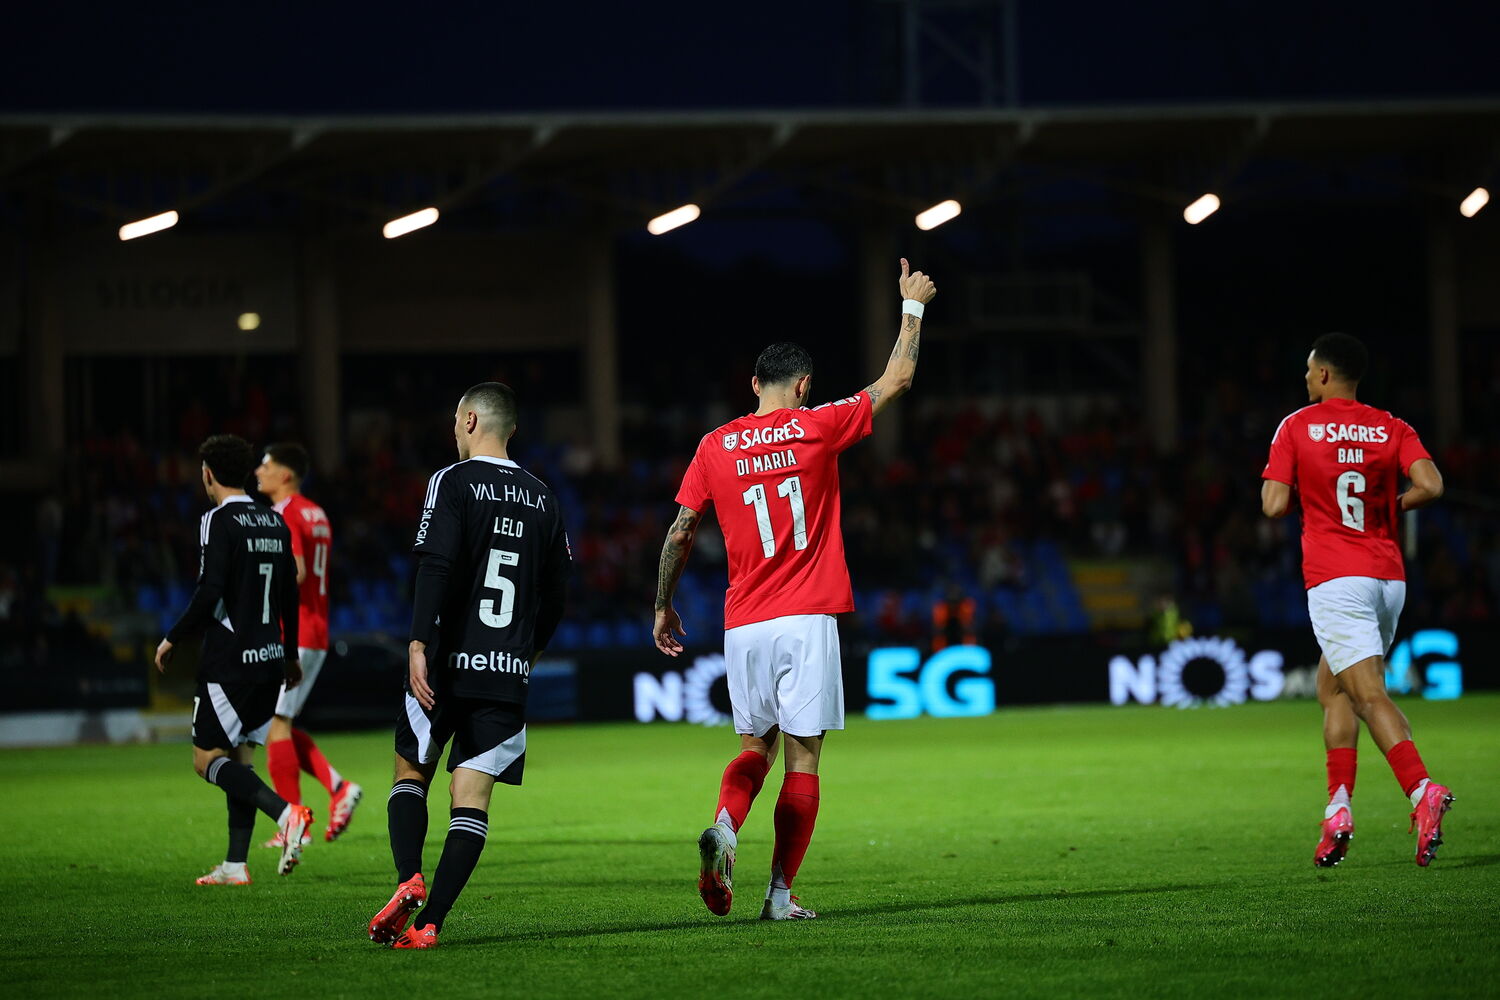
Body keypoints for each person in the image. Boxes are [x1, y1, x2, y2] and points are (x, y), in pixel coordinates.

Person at [654, 258, 937, 920]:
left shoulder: (714, 445)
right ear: (804, 386)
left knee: (754, 748)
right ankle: (779, 896)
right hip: (805, 617)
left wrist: (663, 603)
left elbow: (680, 530)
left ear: (754, 384)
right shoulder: (817, 424)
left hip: (743, 622)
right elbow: (898, 378)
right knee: (803, 759)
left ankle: (725, 827)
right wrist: (913, 307)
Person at [368, 382, 570, 949]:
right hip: (506, 671)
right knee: (472, 799)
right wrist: (529, 653)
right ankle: (430, 924)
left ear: (472, 420)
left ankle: (409, 877)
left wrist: (416, 644)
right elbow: (557, 595)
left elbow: (435, 564)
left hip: (446, 662)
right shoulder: (545, 497)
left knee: (412, 772)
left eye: (457, 419)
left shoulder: (451, 481)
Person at [1260, 332, 1452, 868]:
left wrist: (1310, 496)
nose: (1305, 378)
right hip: (1387, 579)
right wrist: (1390, 506)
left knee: (1367, 696)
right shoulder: (1391, 426)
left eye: (1308, 370)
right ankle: (1337, 808)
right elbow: (1432, 485)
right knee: (1334, 689)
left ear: (1323, 374)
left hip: (1336, 577)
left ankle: (1422, 791)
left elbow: (1273, 504)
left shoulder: (1297, 425)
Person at [155, 434, 313, 884]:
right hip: (269, 659)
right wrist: (289, 654)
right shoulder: (274, 520)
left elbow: (210, 591)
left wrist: (173, 637)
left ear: (208, 474)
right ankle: (234, 864)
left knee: (206, 759)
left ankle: (286, 814)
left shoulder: (217, 520)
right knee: (240, 758)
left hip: (230, 660)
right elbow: (289, 593)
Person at [254, 443, 362, 846]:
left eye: (266, 465)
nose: (258, 471)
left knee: (276, 724)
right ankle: (337, 788)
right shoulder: (317, 513)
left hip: (294, 631)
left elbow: (295, 571)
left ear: (285, 474)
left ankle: (292, 825)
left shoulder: (284, 513)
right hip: (314, 627)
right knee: (278, 722)